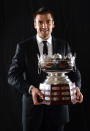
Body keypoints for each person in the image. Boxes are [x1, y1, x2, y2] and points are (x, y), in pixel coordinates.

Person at [8, 7, 83, 131]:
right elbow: (12, 76)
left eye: (48, 22)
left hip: (58, 112)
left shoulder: (63, 45)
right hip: (32, 111)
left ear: (53, 24)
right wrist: (30, 89)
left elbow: (75, 73)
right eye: (40, 22)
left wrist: (77, 89)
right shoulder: (23, 47)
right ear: (35, 25)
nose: (44, 26)